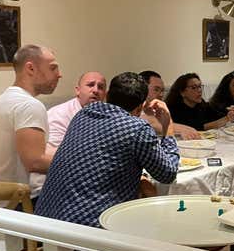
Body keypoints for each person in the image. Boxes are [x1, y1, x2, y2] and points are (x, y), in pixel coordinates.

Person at [35, 72, 179, 233]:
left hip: (46, 226)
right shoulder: (137, 128)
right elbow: (168, 174)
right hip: (87, 235)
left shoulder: (82, 115)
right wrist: (169, 125)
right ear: (139, 108)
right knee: (157, 224)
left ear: (108, 94)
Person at [0, 44, 61, 198]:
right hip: (18, 205)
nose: (59, 74)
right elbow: (35, 161)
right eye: (53, 68)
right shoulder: (29, 106)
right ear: (31, 69)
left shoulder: (3, 100)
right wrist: (80, 162)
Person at [46, 72, 107, 150]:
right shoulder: (59, 114)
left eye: (101, 87)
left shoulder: (108, 117)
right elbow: (54, 152)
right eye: (90, 85)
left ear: (105, 95)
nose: (96, 90)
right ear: (78, 90)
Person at [138, 70, 200, 139]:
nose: (161, 95)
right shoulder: (134, 108)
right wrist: (182, 129)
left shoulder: (155, 107)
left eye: (162, 91)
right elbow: (152, 123)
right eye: (156, 89)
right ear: (142, 89)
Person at [164, 73, 234, 131]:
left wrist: (230, 114)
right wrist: (226, 118)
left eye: (200, 87)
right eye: (194, 88)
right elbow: (198, 127)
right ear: (182, 92)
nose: (199, 90)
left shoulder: (201, 104)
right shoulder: (173, 109)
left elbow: (215, 116)